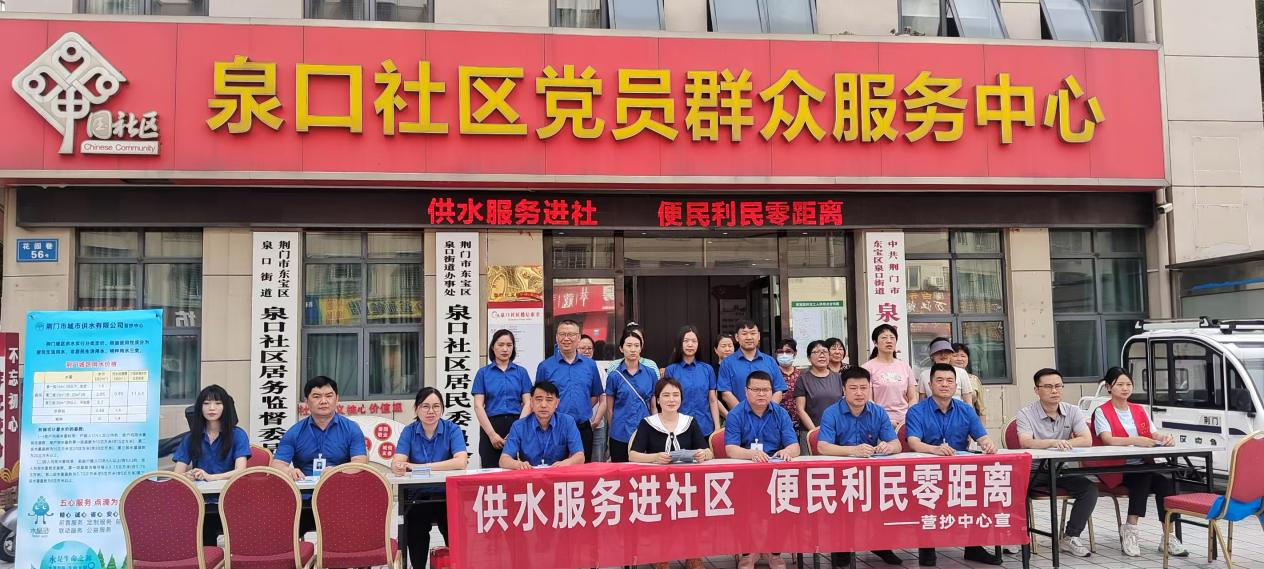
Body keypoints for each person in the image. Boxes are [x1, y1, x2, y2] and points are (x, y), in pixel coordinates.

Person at [905, 363, 1002, 567]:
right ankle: (927, 547)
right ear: (930, 384)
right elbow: (913, 442)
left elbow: (981, 436)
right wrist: (935, 450)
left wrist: (988, 444)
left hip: (959, 471)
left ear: (956, 386)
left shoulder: (966, 410)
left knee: (984, 491)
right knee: (926, 495)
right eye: (939, 380)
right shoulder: (917, 411)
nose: (945, 384)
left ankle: (974, 547)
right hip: (926, 471)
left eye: (949, 381)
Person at [1092, 367, 1187, 558]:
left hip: (1142, 465)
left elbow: (1153, 434)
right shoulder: (1102, 411)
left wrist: (1165, 438)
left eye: (1128, 384)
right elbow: (1108, 439)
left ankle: (1168, 537)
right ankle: (1131, 529)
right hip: (1114, 467)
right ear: (1109, 387)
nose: (1125, 388)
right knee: (1143, 477)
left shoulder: (1138, 409)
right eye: (1120, 384)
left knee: (1165, 483)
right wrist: (1137, 440)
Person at [815, 367, 902, 567]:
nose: (859, 393)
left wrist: (888, 447)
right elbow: (823, 447)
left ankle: (880, 544)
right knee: (840, 506)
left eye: (864, 388)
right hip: (839, 475)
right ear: (844, 389)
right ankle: (842, 547)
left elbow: (896, 444)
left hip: (870, 474)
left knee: (887, 498)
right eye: (853, 388)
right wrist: (852, 451)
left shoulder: (878, 412)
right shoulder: (831, 413)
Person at [629, 377, 712, 569]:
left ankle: (693, 556)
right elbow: (633, 455)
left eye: (676, 395)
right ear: (658, 399)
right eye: (666, 395)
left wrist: (703, 454)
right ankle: (662, 557)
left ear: (681, 398)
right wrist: (655, 457)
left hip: (688, 484)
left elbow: (708, 451)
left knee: (694, 512)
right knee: (662, 516)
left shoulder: (689, 422)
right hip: (658, 484)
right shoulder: (648, 423)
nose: (671, 399)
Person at [1015, 368, 1095, 558]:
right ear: (1037, 390)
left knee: (1089, 489)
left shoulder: (1073, 410)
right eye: (1048, 386)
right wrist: (1053, 442)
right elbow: (1025, 442)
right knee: (1013, 489)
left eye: (1058, 386)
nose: (1054, 391)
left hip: (1059, 469)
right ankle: (1016, 536)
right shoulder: (1025, 413)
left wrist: (1066, 443)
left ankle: (1070, 537)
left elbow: (1087, 439)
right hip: (1033, 470)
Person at [272, 376, 368, 533]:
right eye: (316, 396)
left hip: (341, 496)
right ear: (306, 401)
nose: (323, 401)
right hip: (303, 499)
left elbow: (360, 462)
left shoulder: (351, 429)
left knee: (346, 535)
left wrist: (337, 471)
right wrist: (289, 471)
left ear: (337, 399)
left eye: (329, 396)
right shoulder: (294, 432)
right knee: (283, 528)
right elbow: (277, 464)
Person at [724, 371, 799, 569]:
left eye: (766, 390)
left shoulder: (780, 413)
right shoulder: (736, 414)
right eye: (756, 389)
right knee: (743, 508)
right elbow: (730, 449)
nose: (761, 394)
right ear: (746, 391)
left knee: (784, 506)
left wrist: (786, 451)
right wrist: (751, 454)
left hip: (775, 473)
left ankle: (774, 552)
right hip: (745, 474)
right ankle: (749, 552)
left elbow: (795, 446)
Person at [391, 387, 470, 569]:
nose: (431, 411)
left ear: (442, 409)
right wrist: (398, 466)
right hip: (418, 496)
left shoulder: (452, 429)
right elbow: (398, 461)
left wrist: (420, 467)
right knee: (416, 531)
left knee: (455, 532)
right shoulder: (409, 431)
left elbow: (461, 461)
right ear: (417, 409)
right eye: (425, 406)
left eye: (436, 406)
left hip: (447, 495)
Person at [173, 385, 250, 546]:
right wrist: (187, 475)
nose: (212, 408)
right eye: (206, 403)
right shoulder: (190, 438)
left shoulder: (238, 434)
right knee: (204, 542)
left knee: (238, 543)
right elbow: (176, 474)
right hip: (201, 502)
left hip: (231, 500)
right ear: (199, 408)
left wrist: (210, 477)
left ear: (226, 407)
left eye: (218, 403)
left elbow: (240, 471)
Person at [536, 319, 604, 462]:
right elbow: (538, 399)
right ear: (557, 337)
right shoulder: (545, 367)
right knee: (555, 469)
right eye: (562, 334)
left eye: (571, 334)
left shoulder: (590, 365)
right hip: (554, 428)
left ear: (578, 338)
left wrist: (581, 409)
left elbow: (594, 395)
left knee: (584, 470)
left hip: (583, 428)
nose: (566, 338)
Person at [472, 329, 532, 469]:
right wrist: (492, 434)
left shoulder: (521, 372)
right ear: (493, 347)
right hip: (491, 425)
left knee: (519, 469)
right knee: (491, 471)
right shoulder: (483, 373)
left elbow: (528, 402)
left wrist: (517, 429)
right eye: (500, 345)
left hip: (517, 423)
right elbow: (478, 406)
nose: (505, 349)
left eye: (509, 345)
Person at [500, 380, 586, 469]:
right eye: (539, 399)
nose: (543, 405)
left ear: (557, 403)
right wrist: (518, 464)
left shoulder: (568, 422)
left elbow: (580, 456)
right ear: (531, 402)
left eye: (549, 400)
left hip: (558, 473)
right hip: (530, 474)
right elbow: (503, 460)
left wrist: (567, 462)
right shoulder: (519, 426)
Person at [605, 329, 659, 462]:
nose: (633, 349)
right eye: (629, 345)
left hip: (645, 431)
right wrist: (614, 430)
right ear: (621, 348)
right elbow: (610, 409)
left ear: (641, 348)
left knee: (644, 470)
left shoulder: (651, 373)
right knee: (620, 470)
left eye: (636, 345)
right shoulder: (614, 376)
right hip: (620, 433)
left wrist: (656, 430)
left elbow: (654, 406)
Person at [663, 325, 720, 436]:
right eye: (686, 341)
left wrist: (717, 427)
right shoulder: (671, 370)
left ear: (698, 344)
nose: (690, 344)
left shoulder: (707, 370)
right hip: (679, 428)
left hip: (705, 427)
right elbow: (668, 401)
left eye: (694, 341)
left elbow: (713, 400)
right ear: (680, 343)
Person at [718, 320, 786, 409]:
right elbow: (726, 394)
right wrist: (742, 413)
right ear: (737, 337)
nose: (749, 337)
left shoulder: (770, 361)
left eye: (753, 333)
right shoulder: (727, 363)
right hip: (740, 416)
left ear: (759, 336)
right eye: (744, 334)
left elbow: (778, 390)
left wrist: (767, 412)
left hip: (768, 415)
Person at [862, 325, 917, 426]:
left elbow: (913, 398)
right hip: (878, 422)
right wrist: (885, 420)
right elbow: (868, 400)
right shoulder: (867, 368)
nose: (889, 341)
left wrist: (909, 418)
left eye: (892, 337)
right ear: (875, 343)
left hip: (905, 423)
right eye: (884, 337)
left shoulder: (905, 366)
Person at [793, 340, 844, 437]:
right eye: (816, 352)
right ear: (809, 358)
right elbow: (800, 410)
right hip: (810, 432)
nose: (822, 355)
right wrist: (815, 431)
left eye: (825, 352)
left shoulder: (839, 378)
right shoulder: (803, 379)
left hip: (836, 431)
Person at [578, 334, 611, 463]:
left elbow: (603, 399)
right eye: (583, 348)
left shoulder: (599, 369)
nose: (586, 351)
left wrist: (596, 421)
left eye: (589, 348)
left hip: (597, 424)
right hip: (576, 424)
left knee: (597, 461)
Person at [917, 338, 974, 407]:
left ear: (951, 354)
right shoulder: (924, 375)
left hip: (957, 412)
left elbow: (968, 402)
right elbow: (921, 403)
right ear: (932, 356)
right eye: (938, 352)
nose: (943, 354)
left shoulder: (961, 373)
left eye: (946, 351)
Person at [774, 339, 804, 446]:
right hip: (776, 421)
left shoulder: (801, 375)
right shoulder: (772, 374)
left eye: (788, 351)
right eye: (780, 352)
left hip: (798, 422)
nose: (784, 355)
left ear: (794, 353)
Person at [953, 343, 987, 420]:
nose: (959, 359)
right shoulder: (944, 379)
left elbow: (981, 409)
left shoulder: (974, 379)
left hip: (970, 421)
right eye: (955, 356)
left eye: (963, 356)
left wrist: (982, 426)